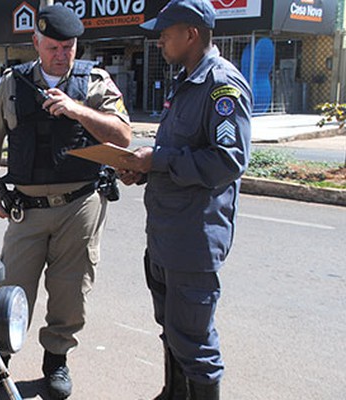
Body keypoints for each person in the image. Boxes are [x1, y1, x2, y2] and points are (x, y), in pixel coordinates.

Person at [0, 5, 132, 399]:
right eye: (53, 47)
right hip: (26, 208)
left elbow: (123, 135)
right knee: (11, 290)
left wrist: (78, 110)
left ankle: (56, 362)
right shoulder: (12, 85)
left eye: (68, 47)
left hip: (79, 206)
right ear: (36, 43)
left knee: (70, 291)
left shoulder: (94, 82)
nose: (61, 55)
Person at [117, 1, 252, 399]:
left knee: (194, 340)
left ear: (191, 34)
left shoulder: (222, 85)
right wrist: (143, 168)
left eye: (166, 32)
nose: (159, 40)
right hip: (165, 235)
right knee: (172, 328)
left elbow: (228, 160)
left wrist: (157, 160)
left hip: (193, 240)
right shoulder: (186, 80)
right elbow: (179, 152)